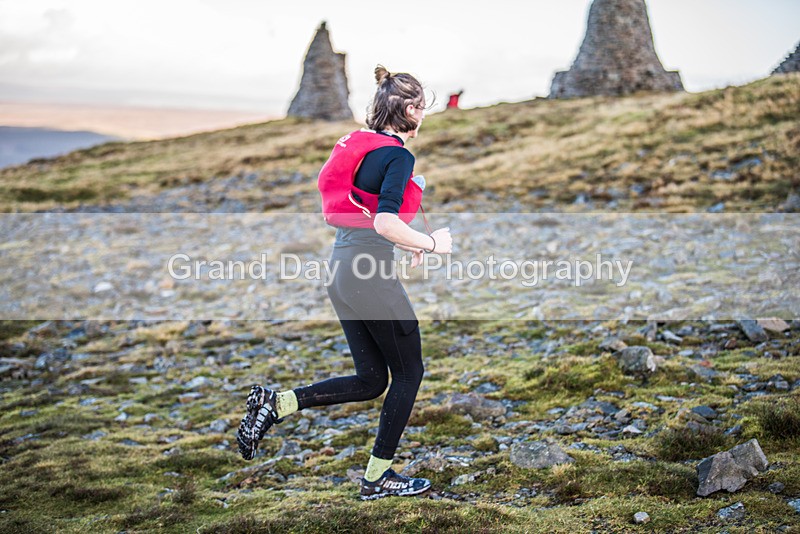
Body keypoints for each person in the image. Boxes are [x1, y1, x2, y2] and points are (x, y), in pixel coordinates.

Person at [237, 65, 453, 501]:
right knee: (409, 372)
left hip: (342, 271)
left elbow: (368, 216)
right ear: (409, 110)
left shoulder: (364, 147)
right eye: (421, 107)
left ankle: (276, 403)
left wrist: (406, 242)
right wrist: (432, 243)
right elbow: (386, 222)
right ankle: (378, 478)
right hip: (370, 277)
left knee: (371, 380)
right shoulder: (399, 156)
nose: (423, 115)